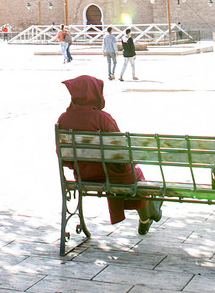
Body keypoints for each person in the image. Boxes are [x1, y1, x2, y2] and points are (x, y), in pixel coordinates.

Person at [57, 75, 162, 236]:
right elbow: (121, 153)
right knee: (135, 175)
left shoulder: (63, 119)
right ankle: (150, 210)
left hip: (84, 176)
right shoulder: (103, 118)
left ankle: (149, 213)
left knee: (131, 174)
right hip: (112, 176)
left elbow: (63, 156)